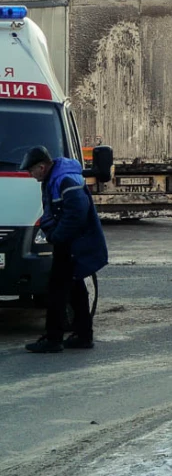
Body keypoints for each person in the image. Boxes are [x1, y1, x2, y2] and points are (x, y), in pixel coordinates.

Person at [21, 146, 107, 353]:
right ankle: (83, 335)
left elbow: (77, 212)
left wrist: (57, 236)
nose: (31, 176)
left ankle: (53, 338)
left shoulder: (64, 180)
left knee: (57, 291)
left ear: (42, 167)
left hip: (70, 244)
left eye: (31, 171)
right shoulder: (58, 177)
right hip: (72, 243)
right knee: (75, 288)